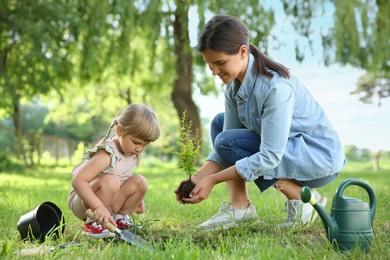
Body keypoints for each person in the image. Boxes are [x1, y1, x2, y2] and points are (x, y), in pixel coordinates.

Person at [175, 15, 346, 231]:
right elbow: (225, 145)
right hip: (288, 151)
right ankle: (240, 208)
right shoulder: (234, 87)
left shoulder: (275, 88)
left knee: (228, 140)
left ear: (243, 52)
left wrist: (213, 180)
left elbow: (270, 156)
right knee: (220, 125)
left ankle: (303, 201)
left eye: (220, 63)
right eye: (209, 64)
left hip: (316, 157)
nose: (215, 72)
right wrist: (196, 179)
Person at [68, 104, 161, 238]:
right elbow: (78, 181)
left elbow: (125, 177)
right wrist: (98, 206)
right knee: (111, 180)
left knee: (140, 182)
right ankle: (92, 223)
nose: (140, 149)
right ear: (120, 131)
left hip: (107, 200)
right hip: (84, 201)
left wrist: (134, 199)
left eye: (144, 145)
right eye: (136, 142)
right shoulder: (106, 154)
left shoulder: (130, 152)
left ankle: (120, 219)